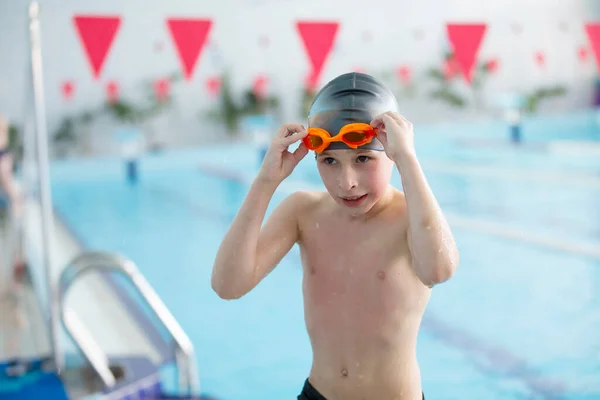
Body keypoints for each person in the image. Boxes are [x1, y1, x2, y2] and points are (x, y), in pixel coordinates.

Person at [211, 72, 459, 400]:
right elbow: (228, 285)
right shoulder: (303, 211)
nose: (347, 182)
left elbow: (438, 270)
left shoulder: (410, 217)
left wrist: (408, 160)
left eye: (363, 159)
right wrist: (266, 182)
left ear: (390, 151)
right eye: (329, 161)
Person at [0, 114, 26, 281]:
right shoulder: (3, 154)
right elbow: (5, 178)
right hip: (6, 202)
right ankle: (14, 269)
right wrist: (16, 197)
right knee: (11, 238)